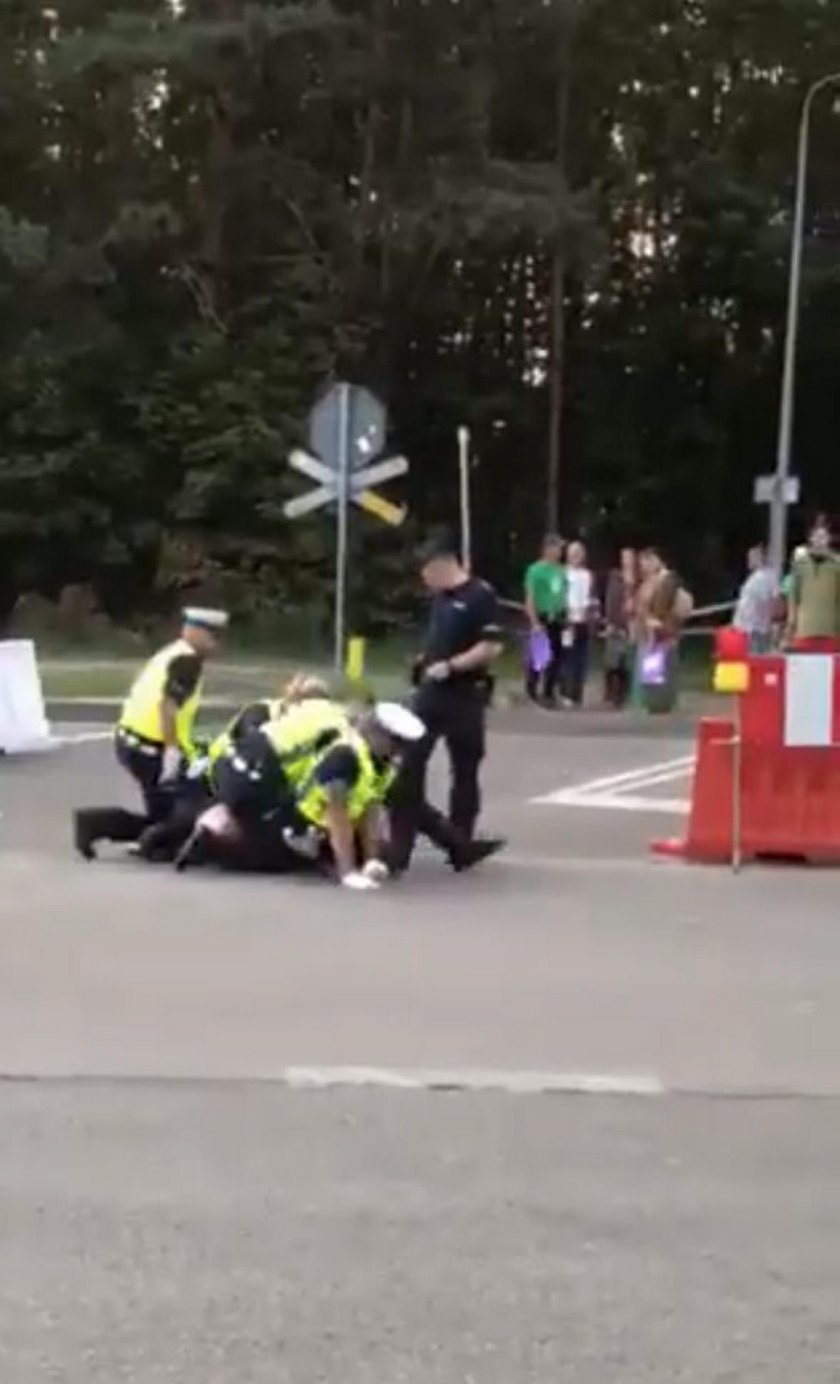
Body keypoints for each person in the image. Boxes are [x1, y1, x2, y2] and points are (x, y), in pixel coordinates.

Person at [184, 701, 423, 891]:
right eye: (395, 743)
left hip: (316, 826)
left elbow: (371, 808)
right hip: (299, 823)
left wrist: (373, 858)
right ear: (378, 735)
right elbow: (336, 811)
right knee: (260, 859)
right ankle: (211, 836)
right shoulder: (345, 756)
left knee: (386, 858)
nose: (399, 751)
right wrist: (347, 872)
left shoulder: (382, 764)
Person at [387, 531, 506, 874]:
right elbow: (440, 638)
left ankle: (460, 843)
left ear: (442, 565)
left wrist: (451, 666)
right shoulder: (440, 599)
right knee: (409, 766)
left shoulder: (480, 595)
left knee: (465, 771)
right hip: (429, 695)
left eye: (425, 573)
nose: (423, 581)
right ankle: (400, 847)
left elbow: (491, 647)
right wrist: (425, 659)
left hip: (464, 695)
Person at [73, 606, 228, 860]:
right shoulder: (187, 662)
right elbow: (167, 706)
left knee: (164, 816)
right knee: (176, 820)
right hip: (150, 748)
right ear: (194, 632)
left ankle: (97, 824)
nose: (217, 644)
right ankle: (107, 827)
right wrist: (171, 751)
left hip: (132, 741)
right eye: (213, 636)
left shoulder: (172, 653)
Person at [785, 517, 840, 652]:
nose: (820, 540)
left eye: (823, 536)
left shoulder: (837, 564)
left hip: (830, 629)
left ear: (829, 539)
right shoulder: (800, 564)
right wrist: (792, 623)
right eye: (817, 536)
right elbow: (793, 595)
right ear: (811, 539)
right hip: (804, 629)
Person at [523, 535, 567, 705]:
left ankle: (549, 691)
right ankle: (532, 689)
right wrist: (534, 621)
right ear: (547, 549)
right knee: (539, 656)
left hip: (558, 616)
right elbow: (530, 596)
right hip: (542, 615)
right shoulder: (536, 570)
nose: (559, 552)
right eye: (556, 548)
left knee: (556, 656)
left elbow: (562, 593)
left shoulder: (561, 570)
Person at [560, 540, 596, 707]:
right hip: (569, 620)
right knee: (568, 657)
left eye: (579, 553)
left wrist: (591, 613)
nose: (576, 557)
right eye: (573, 553)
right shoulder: (562, 573)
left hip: (583, 621)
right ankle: (565, 692)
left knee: (581, 659)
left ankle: (577, 694)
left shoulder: (587, 575)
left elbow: (591, 596)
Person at [603, 547, 637, 708]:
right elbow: (610, 601)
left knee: (627, 662)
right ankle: (611, 694)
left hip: (631, 625)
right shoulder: (615, 577)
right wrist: (611, 622)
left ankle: (625, 694)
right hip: (616, 624)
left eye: (629, 558)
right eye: (624, 558)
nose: (626, 561)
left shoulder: (638, 580)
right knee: (613, 662)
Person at [733, 543, 777, 654]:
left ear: (760, 558)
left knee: (754, 660)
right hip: (749, 628)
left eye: (752, 557)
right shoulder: (757, 577)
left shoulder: (763, 578)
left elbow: (766, 602)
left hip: (755, 629)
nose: (749, 560)